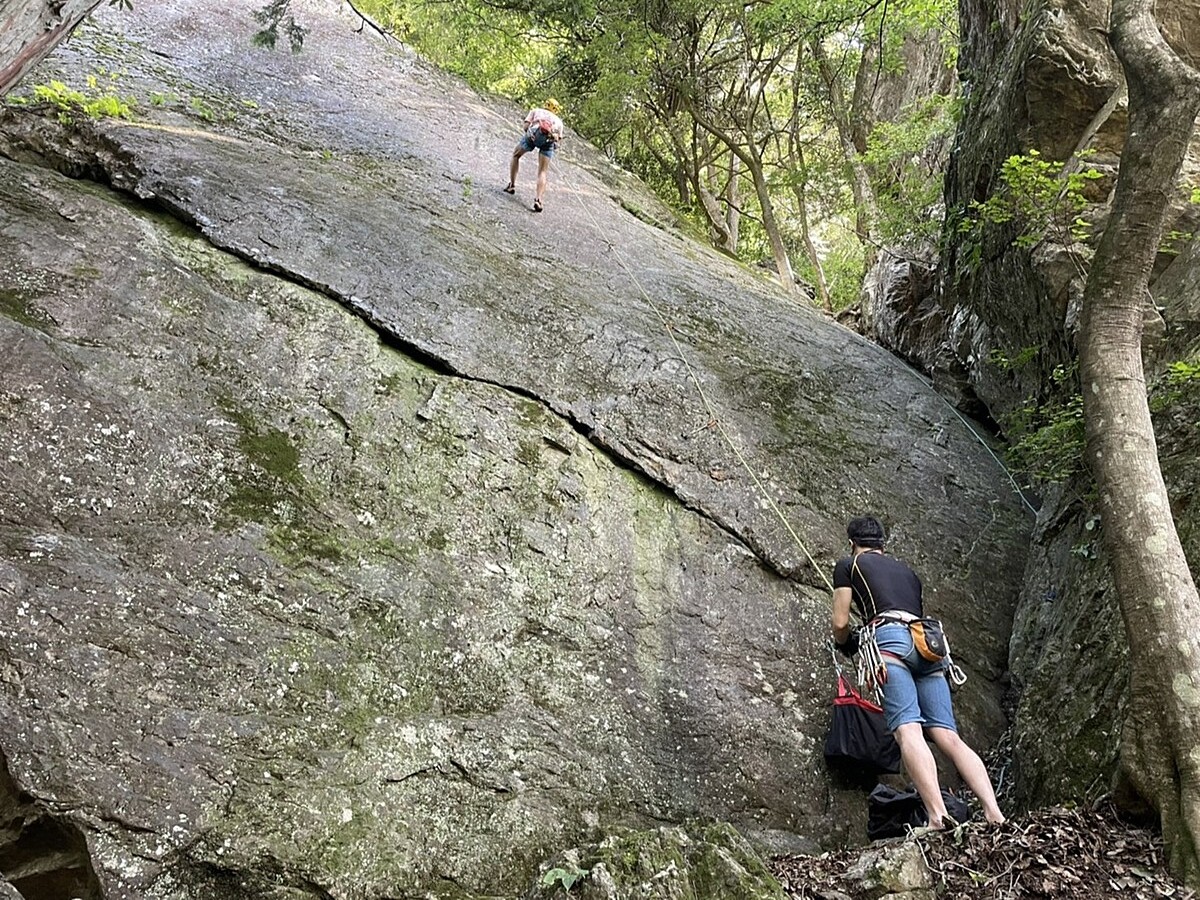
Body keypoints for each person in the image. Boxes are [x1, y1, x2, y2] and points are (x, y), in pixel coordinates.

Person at [831, 515, 1006, 829]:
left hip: (889, 640)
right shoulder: (908, 573)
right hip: (928, 643)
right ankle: (994, 813)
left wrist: (846, 642)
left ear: (852, 543)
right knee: (949, 737)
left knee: (908, 730)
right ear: (882, 544)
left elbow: (840, 623)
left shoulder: (849, 565)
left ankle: (938, 816)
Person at [505, 98, 564, 212]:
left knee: (516, 155)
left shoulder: (536, 111)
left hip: (533, 136)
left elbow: (526, 127)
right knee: (543, 171)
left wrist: (530, 136)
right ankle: (538, 199)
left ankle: (511, 185)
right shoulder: (559, 122)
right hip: (548, 142)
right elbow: (558, 140)